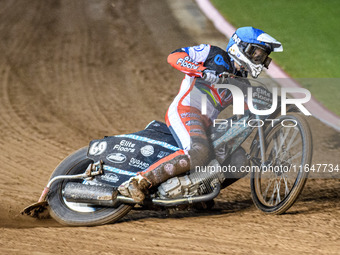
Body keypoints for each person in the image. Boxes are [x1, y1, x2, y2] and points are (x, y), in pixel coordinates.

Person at [118, 26, 283, 202]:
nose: (258, 59)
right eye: (256, 53)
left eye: (262, 56)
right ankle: (138, 181)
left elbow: (250, 112)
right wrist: (202, 71)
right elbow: (174, 57)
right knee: (199, 151)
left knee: (239, 160)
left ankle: (199, 193)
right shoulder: (213, 53)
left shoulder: (242, 83)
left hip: (207, 124)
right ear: (240, 46)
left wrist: (277, 105)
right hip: (186, 110)